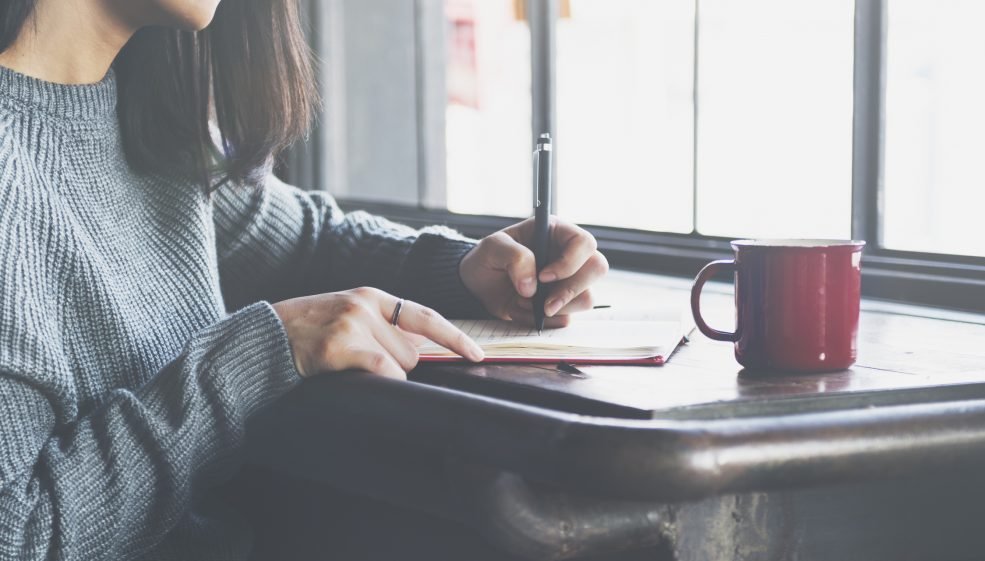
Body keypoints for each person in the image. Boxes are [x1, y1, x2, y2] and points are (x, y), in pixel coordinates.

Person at [0, 0, 608, 559]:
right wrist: (255, 358)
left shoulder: (146, 111)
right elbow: (16, 537)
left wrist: (463, 270)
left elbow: (300, 240)